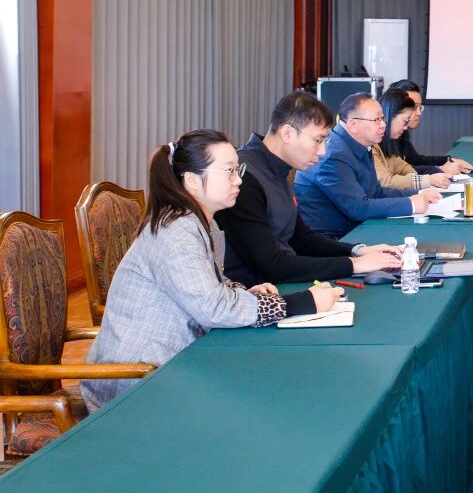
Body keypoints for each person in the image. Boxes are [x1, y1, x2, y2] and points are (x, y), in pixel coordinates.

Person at [81, 130, 342, 412]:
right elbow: (213, 308)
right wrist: (303, 302)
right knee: (257, 399)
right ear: (192, 180)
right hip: (137, 381)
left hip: (172, 363)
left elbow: (210, 286)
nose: (239, 179)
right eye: (229, 171)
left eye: (237, 169)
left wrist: (243, 292)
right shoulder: (176, 231)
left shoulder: (201, 222)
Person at [218, 91, 403, 286]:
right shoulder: (246, 178)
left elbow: (301, 238)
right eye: (318, 140)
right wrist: (354, 264)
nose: (323, 151)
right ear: (287, 133)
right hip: (260, 295)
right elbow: (272, 265)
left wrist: (358, 250)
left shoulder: (277, 167)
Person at [295, 93, 441, 238]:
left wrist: (418, 194)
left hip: (353, 229)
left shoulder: (360, 144)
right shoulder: (334, 155)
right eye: (376, 120)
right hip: (332, 240)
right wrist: (411, 204)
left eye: (382, 118)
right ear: (353, 124)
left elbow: (375, 192)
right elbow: (358, 208)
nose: (383, 124)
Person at [385, 79, 473, 180]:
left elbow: (414, 160)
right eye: (413, 107)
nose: (419, 113)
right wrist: (439, 170)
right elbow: (396, 174)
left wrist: (447, 160)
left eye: (420, 107)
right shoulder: (382, 137)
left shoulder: (402, 132)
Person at [373, 89, 433, 191]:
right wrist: (427, 180)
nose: (406, 128)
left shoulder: (386, 144)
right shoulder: (371, 145)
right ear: (389, 116)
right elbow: (386, 182)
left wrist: (413, 177)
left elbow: (402, 166)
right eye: (405, 121)